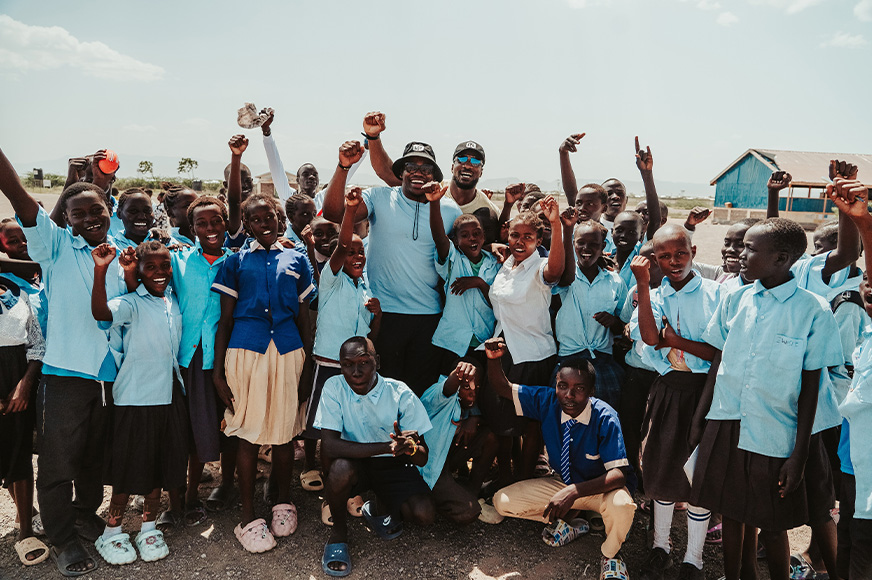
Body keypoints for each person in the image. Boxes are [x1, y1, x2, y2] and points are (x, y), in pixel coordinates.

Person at [0, 147, 131, 576]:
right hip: (66, 373)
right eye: (79, 214)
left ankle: (82, 514)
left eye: (96, 209)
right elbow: (17, 195)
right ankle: (62, 538)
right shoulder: (55, 247)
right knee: (58, 461)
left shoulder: (121, 248)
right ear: (67, 220)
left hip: (110, 374)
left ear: (108, 209)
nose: (90, 218)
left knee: (94, 456)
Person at [690, 218, 843, 580]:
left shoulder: (812, 310)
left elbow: (810, 387)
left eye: (751, 249)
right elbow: (719, 360)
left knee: (772, 523)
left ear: (782, 258)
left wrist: (799, 453)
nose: (741, 255)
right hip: (727, 421)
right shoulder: (736, 297)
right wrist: (700, 419)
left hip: (775, 432)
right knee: (731, 514)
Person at [211, 193, 315, 553]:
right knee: (249, 433)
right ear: (247, 225)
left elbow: (304, 317)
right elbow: (225, 321)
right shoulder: (235, 261)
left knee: (285, 432)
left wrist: (309, 365)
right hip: (246, 351)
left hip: (288, 350)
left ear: (279, 218)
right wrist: (218, 374)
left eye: (268, 217)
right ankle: (247, 516)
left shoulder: (296, 258)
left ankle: (282, 503)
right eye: (255, 220)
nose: (264, 224)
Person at [485, 337, 636, 579]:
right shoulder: (547, 401)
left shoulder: (605, 417)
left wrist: (573, 492)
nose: (569, 395)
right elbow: (503, 387)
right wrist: (494, 360)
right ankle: (575, 523)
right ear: (555, 385)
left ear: (591, 391)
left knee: (623, 506)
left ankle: (610, 555)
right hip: (563, 485)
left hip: (600, 491)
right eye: (563, 386)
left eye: (579, 389)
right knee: (502, 501)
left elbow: (619, 475)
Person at [321, 139, 461, 395]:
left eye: (426, 168)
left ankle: (414, 437)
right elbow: (333, 213)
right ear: (400, 172)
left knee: (420, 393)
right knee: (381, 391)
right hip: (383, 315)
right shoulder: (379, 197)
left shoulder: (450, 210)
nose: (418, 172)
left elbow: (464, 252)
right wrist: (342, 167)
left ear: (435, 176)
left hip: (429, 317)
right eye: (411, 166)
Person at [629, 224, 721, 580]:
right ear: (654, 260)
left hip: (705, 391)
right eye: (664, 256)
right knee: (663, 468)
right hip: (668, 390)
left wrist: (676, 341)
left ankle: (693, 558)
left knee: (697, 474)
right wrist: (642, 284)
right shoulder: (654, 295)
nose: (673, 261)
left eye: (680, 253)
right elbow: (652, 339)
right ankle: (661, 547)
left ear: (694, 253)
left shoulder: (715, 294)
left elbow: (716, 353)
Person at [90, 241, 186, 565]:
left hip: (167, 397)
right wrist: (102, 269)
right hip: (135, 398)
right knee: (128, 468)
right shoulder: (131, 303)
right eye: (151, 268)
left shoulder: (171, 300)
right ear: (139, 272)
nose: (159, 273)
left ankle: (148, 527)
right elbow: (102, 314)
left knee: (157, 467)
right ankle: (112, 532)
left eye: (165, 266)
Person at [315, 337, 434, 577]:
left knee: (424, 514)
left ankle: (377, 508)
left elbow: (423, 458)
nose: (356, 371)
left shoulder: (400, 393)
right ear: (340, 365)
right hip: (354, 463)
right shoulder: (334, 387)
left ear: (377, 362)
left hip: (392, 465)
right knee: (338, 469)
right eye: (348, 364)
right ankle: (339, 534)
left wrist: (409, 447)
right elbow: (329, 445)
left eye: (364, 362)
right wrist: (385, 446)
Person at [484, 197, 569, 483]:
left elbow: (555, 271)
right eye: (515, 235)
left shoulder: (539, 266)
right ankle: (506, 477)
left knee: (531, 425)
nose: (520, 242)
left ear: (539, 238)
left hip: (532, 355)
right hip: (505, 351)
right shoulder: (507, 264)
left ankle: (523, 481)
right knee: (504, 423)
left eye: (528, 237)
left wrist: (556, 224)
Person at [307, 187, 382, 512]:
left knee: (353, 428)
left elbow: (368, 334)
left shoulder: (365, 286)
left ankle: (352, 486)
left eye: (360, 253)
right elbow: (342, 244)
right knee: (327, 431)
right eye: (350, 253)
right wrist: (350, 210)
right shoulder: (331, 279)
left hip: (358, 369)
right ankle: (329, 492)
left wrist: (378, 316)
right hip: (329, 365)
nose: (356, 257)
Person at [169, 193, 236, 523]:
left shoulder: (236, 262)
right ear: (190, 227)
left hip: (224, 359)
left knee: (223, 426)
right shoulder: (179, 261)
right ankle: (179, 497)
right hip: (188, 359)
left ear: (226, 223)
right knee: (186, 430)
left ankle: (215, 487)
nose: (210, 228)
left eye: (216, 221)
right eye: (201, 223)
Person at [825, 175, 872, 580]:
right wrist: (862, 223)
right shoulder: (866, 325)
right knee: (851, 533)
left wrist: (865, 227)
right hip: (852, 451)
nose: (867, 292)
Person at [362, 112, 501, 242]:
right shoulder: (432, 188)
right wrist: (373, 137)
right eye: (462, 159)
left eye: (476, 162)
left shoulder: (489, 209)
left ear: (482, 171)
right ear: (452, 166)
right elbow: (387, 173)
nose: (468, 165)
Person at [425, 181, 500, 372]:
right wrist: (434, 203)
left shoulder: (494, 263)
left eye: (477, 233)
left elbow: (498, 303)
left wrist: (479, 283)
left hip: (483, 341)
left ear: (484, 237)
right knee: (449, 388)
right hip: (451, 342)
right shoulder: (453, 260)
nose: (472, 238)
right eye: (465, 235)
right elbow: (439, 237)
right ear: (456, 241)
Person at [554, 218, 628, 409]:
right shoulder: (565, 276)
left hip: (603, 360)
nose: (586, 248)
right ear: (573, 244)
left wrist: (613, 322)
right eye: (581, 243)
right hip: (568, 358)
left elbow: (624, 325)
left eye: (594, 244)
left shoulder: (614, 281)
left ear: (603, 246)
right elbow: (560, 281)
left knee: (605, 416)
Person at [0, 274, 48, 568]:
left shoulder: (16, 292)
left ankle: (26, 531)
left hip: (17, 377)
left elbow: (36, 343)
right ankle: (23, 510)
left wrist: (25, 384)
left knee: (19, 452)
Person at [419, 358, 498, 525]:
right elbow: (447, 388)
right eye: (467, 387)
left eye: (476, 389)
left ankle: (472, 490)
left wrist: (474, 418)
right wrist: (458, 375)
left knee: (490, 436)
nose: (473, 394)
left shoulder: (468, 402)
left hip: (447, 458)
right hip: (431, 467)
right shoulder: (438, 393)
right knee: (469, 512)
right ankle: (432, 497)